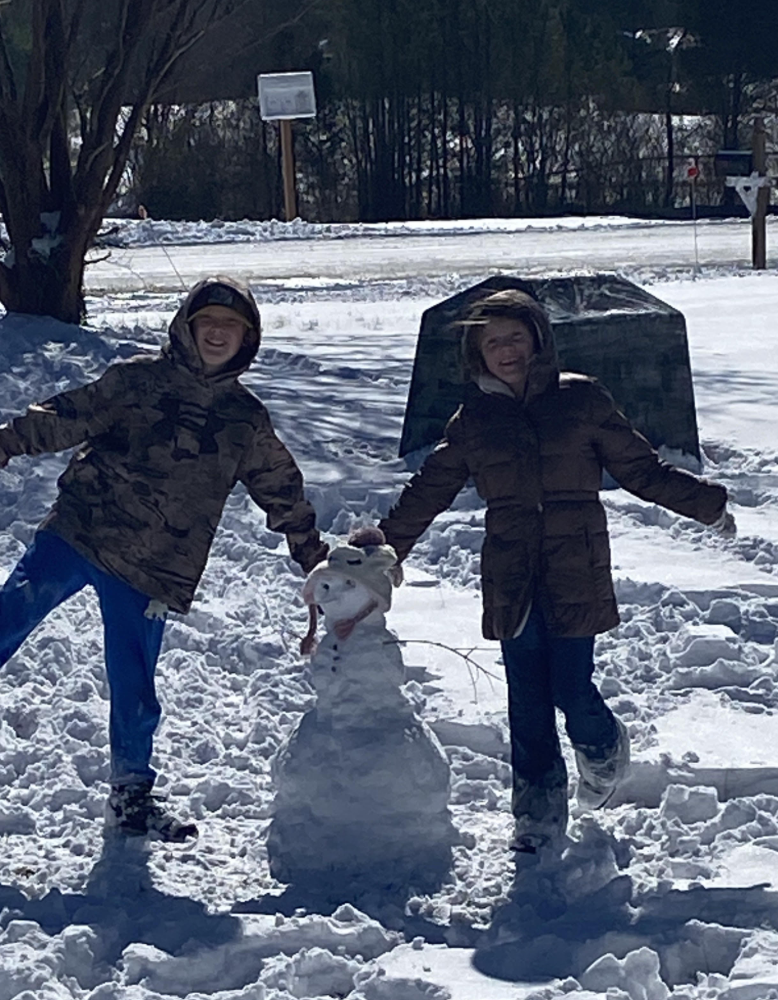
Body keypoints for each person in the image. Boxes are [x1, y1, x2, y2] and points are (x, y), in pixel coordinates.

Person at [379, 288, 734, 853]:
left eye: (515, 337)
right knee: (526, 696)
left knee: (571, 685)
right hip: (510, 572)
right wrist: (384, 545)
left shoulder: (581, 401)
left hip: (576, 565)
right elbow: (431, 488)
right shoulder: (474, 419)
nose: (505, 350)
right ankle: (537, 814)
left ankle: (602, 745)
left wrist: (705, 503)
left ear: (539, 340)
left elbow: (641, 469)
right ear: (478, 354)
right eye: (492, 342)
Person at [0, 276, 327, 841]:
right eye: (208, 323)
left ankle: (130, 795)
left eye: (231, 327)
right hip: (82, 530)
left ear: (247, 339)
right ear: (186, 327)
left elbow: (280, 488)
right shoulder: (137, 380)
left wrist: (313, 556)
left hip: (153, 566)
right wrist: (6, 441)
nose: (218, 333)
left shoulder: (244, 420)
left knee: (135, 684)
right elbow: (68, 414)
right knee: (8, 618)